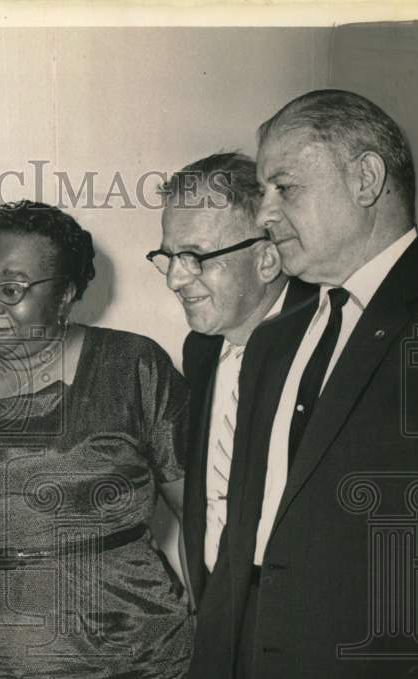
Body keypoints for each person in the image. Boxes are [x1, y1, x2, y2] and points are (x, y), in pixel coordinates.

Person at [155, 89, 418, 679]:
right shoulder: (272, 342)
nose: (267, 214)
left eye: (284, 188)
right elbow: (242, 536)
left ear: (366, 179)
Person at [0, 200, 193, 679]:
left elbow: (204, 520)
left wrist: (213, 673)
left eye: (13, 288)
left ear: (65, 295)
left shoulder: (132, 365)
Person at [150, 152, 316, 605]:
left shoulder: (324, 346)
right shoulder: (201, 349)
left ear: (266, 260)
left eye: (195, 257)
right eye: (168, 257)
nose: (175, 280)